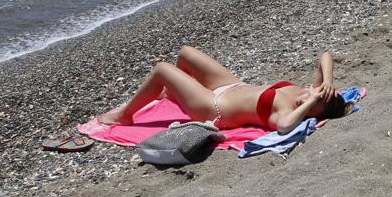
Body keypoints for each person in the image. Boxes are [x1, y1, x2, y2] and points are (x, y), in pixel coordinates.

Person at [98, 46, 353, 134]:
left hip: (213, 107)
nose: (306, 98)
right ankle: (177, 94)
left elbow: (285, 127)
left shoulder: (288, 113)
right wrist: (327, 82)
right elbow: (325, 55)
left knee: (162, 69)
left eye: (312, 106)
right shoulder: (312, 93)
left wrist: (308, 104)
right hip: (230, 85)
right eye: (312, 94)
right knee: (186, 53)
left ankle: (124, 116)